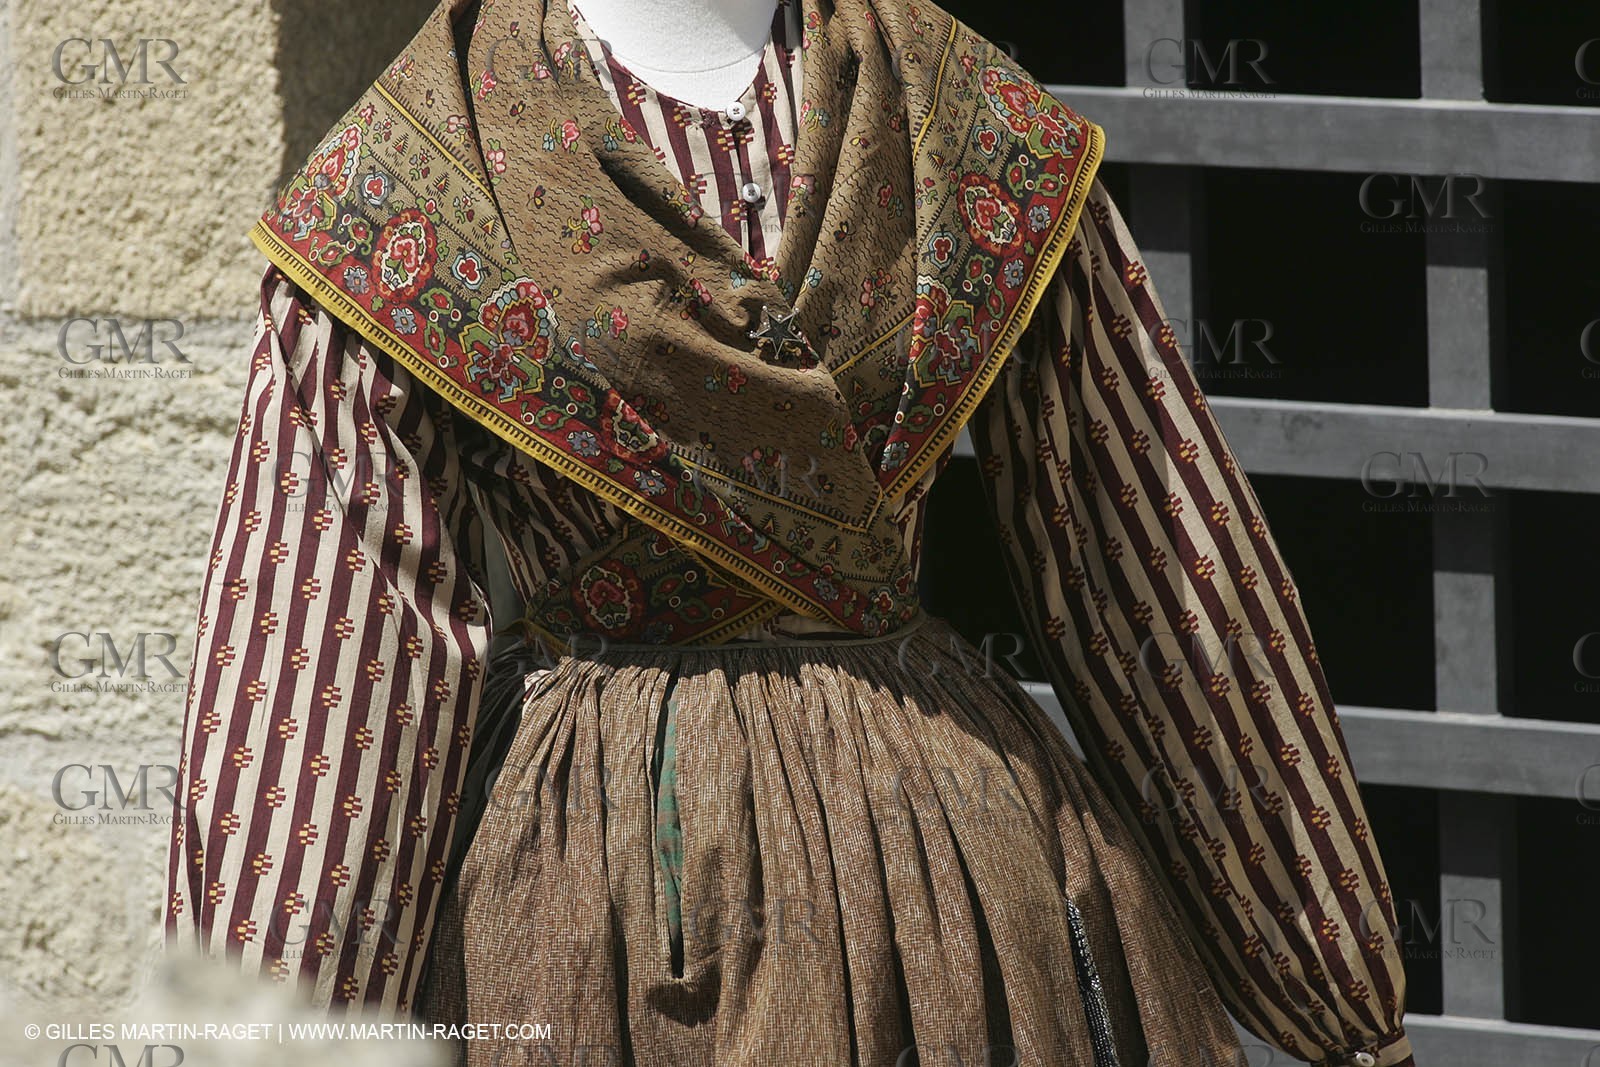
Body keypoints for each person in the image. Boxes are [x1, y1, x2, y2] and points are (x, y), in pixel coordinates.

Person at [163, 0, 1415, 1064]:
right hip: (601, 908)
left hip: (962, 905)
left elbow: (1165, 585)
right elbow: (331, 675)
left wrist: (1336, 987)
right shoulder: (415, 182)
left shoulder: (960, 112)